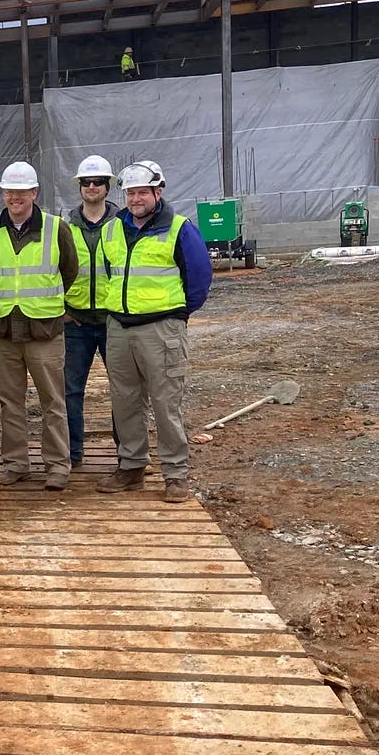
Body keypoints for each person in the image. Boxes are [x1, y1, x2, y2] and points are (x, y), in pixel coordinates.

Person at [98, 161, 212, 502]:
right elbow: (111, 272)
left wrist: (177, 316)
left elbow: (199, 279)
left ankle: (175, 475)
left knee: (166, 403)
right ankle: (131, 467)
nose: (135, 199)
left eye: (142, 192)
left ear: (157, 192)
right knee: (125, 401)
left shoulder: (179, 229)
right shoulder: (112, 229)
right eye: (130, 193)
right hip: (119, 327)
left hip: (161, 329)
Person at [0, 161, 78, 491]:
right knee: (10, 401)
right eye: (9, 192)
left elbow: (69, 270)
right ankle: (16, 463)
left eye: (21, 192)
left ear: (34, 193)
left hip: (44, 330)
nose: (14, 198)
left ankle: (57, 465)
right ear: (3, 194)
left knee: (53, 401)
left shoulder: (55, 228)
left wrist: (46, 306)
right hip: (4, 329)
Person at [65, 155, 119, 466]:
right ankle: (73, 454)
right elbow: (51, 271)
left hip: (114, 321)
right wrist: (62, 309)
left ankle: (127, 452)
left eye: (98, 182)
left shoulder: (122, 224)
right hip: (76, 322)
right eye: (87, 182)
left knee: (124, 391)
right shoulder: (65, 226)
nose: (92, 186)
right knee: (70, 391)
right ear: (80, 187)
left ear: (107, 187)